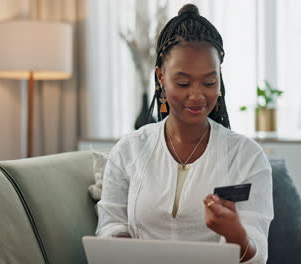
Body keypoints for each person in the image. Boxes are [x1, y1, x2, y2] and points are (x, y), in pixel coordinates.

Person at [95, 4, 273, 263]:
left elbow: (257, 254)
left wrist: (236, 236)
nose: (197, 95)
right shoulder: (129, 150)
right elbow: (110, 227)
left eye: (209, 82)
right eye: (183, 83)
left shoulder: (246, 157)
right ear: (161, 78)